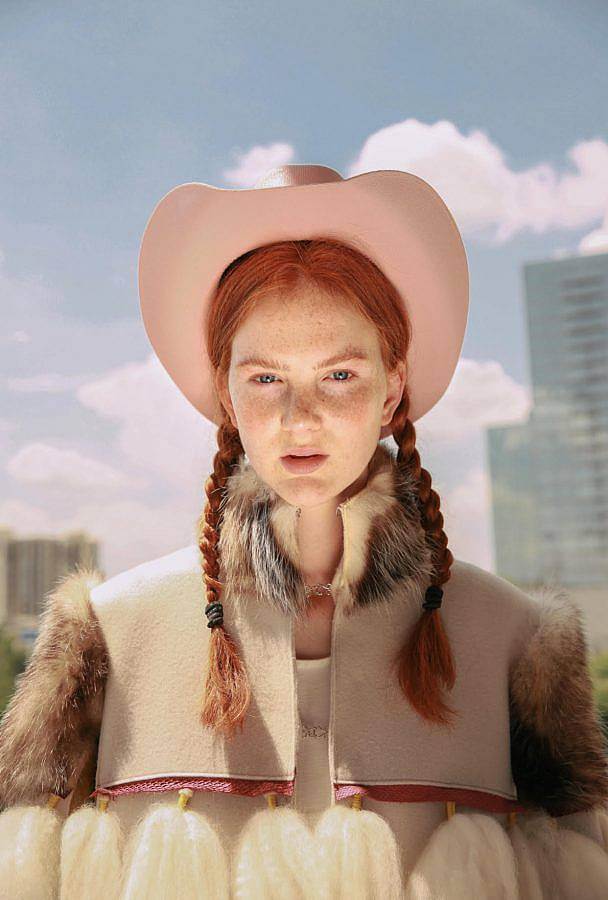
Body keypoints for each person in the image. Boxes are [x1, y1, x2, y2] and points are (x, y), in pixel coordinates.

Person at [1, 164, 607, 899]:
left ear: (393, 388)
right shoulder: (108, 632)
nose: (300, 418)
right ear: (225, 390)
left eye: (340, 376)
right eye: (265, 380)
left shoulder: (517, 640)